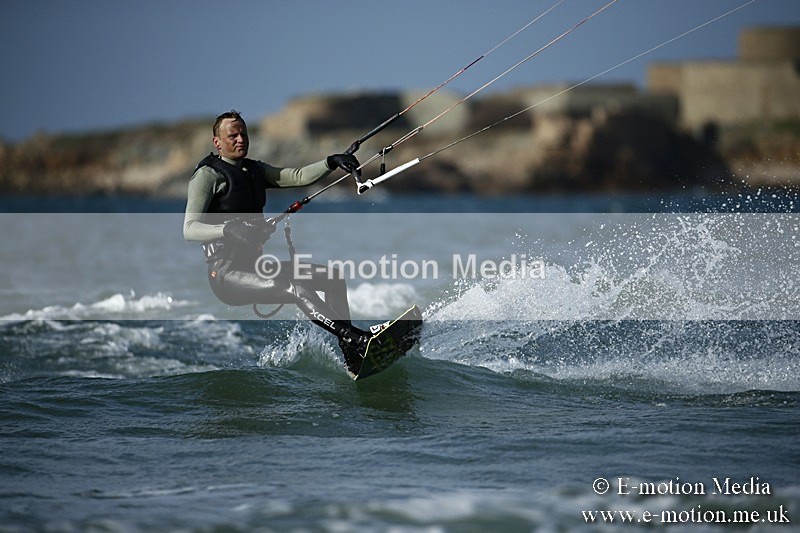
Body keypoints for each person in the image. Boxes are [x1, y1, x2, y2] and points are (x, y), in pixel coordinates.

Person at [183, 110, 371, 374]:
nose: (240, 140)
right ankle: (356, 337)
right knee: (294, 287)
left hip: (256, 266)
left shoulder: (254, 170)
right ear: (217, 142)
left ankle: (352, 354)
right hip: (226, 273)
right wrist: (229, 229)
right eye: (232, 136)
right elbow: (189, 229)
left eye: (243, 134)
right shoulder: (207, 176)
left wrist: (331, 161)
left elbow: (297, 176)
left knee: (333, 278)